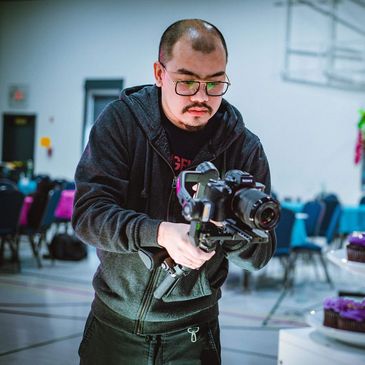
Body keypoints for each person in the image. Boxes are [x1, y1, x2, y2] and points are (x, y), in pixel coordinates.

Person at [72, 18, 276, 365]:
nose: (201, 97)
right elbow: (88, 215)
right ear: (158, 73)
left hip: (193, 336)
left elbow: (260, 254)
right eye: (186, 82)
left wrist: (226, 229)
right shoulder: (121, 123)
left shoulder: (243, 147)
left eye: (215, 83)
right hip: (113, 328)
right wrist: (162, 233)